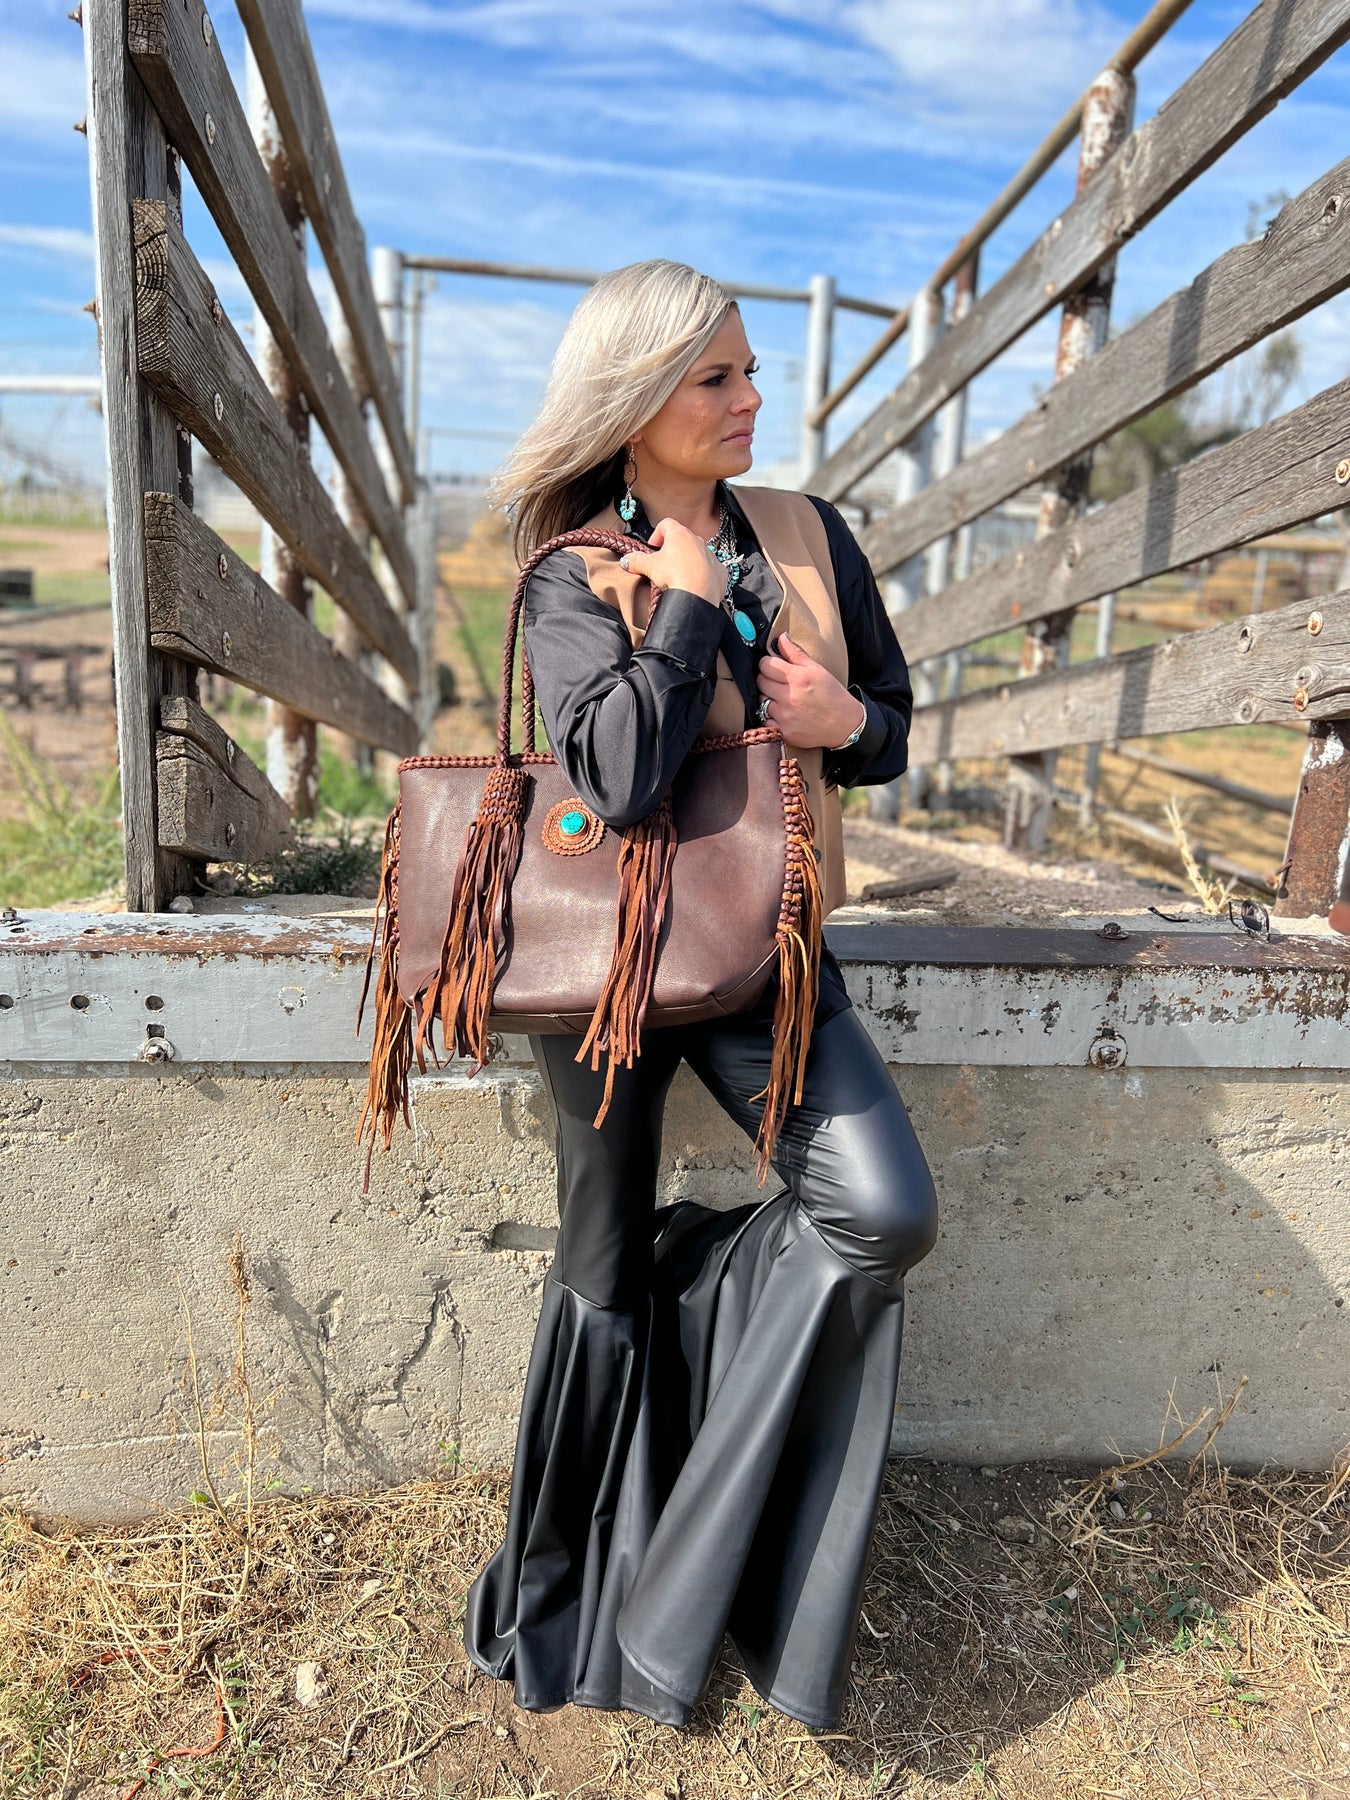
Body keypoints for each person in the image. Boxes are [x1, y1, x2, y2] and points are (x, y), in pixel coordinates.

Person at [462, 259, 939, 1731]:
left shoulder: (806, 534)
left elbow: (891, 729)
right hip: (603, 969)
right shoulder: (568, 566)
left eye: (748, 371)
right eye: (716, 377)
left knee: (881, 1210)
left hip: (769, 946)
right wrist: (679, 610)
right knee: (599, 1264)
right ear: (632, 401)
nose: (750, 400)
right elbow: (613, 772)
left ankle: (699, 1494)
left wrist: (841, 719)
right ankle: (574, 1600)